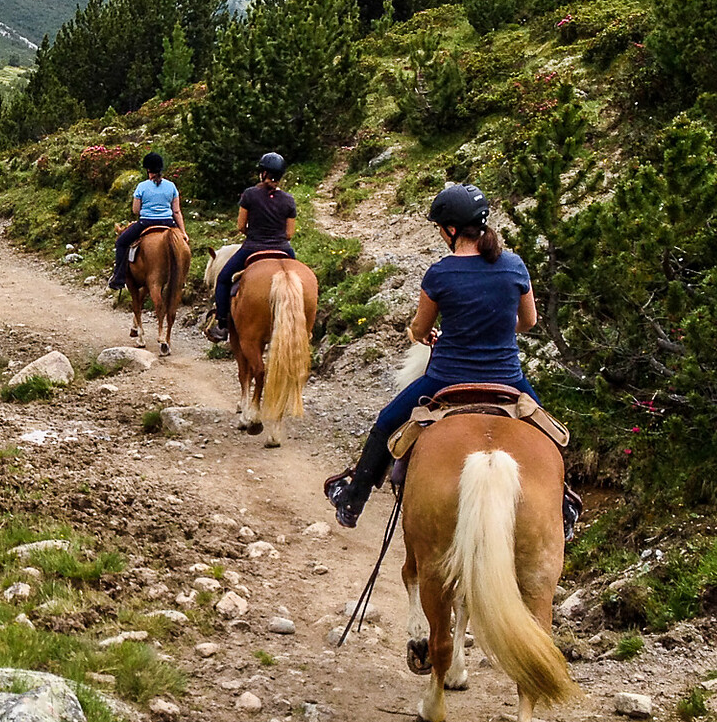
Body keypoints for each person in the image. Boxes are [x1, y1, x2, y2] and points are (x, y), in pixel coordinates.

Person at [323, 183, 547, 528]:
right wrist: (497, 328)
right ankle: (562, 507)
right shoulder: (514, 265)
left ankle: (354, 500)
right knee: (549, 435)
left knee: (386, 422)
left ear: (452, 230)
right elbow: (528, 322)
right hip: (508, 380)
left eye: (440, 228)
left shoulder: (440, 274)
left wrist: (430, 334)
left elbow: (419, 328)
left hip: (445, 379)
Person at [203, 152, 297, 341]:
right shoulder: (288, 200)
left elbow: (240, 226)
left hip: (253, 247)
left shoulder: (250, 194)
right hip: (283, 248)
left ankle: (222, 324)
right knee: (297, 282)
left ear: (263, 173)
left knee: (222, 279)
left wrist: (254, 234)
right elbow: (289, 234)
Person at [108, 151, 185, 289]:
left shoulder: (142, 186)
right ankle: (183, 279)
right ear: (161, 169)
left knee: (121, 242)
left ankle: (119, 278)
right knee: (182, 246)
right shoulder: (171, 186)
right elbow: (177, 211)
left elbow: (135, 210)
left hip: (146, 223)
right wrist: (183, 232)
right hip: (168, 222)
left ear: (148, 170)